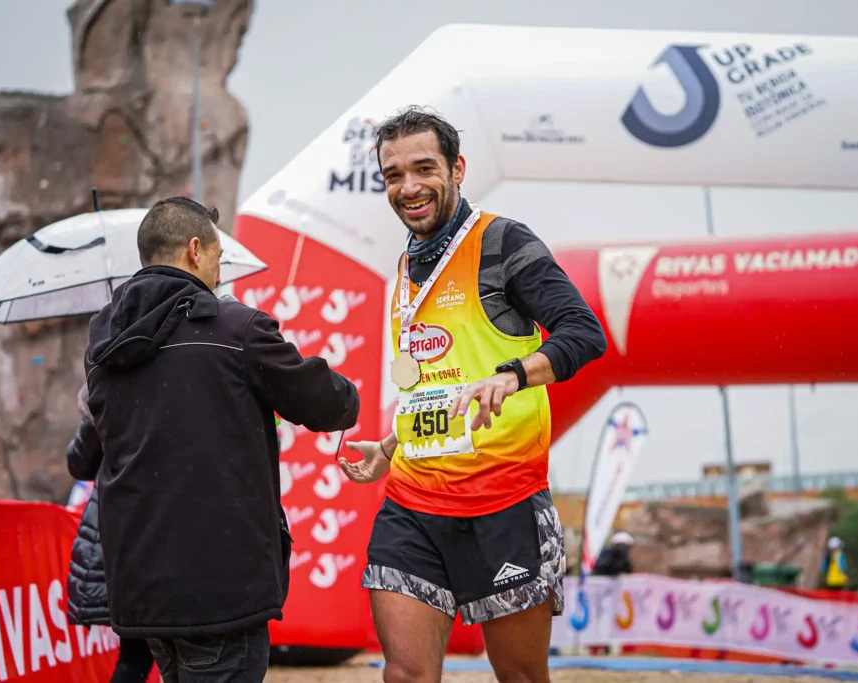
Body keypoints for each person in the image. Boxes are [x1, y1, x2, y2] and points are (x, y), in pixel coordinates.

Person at [338, 107, 607, 683]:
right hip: (413, 504)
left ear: (457, 169)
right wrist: (390, 446)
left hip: (503, 504)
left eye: (423, 169)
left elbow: (584, 333)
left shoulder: (502, 242)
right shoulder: (408, 265)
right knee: (404, 675)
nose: (408, 187)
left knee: (520, 677)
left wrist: (512, 375)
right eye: (392, 175)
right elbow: (439, 384)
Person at [83, 196, 361, 683]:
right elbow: (327, 404)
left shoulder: (104, 342)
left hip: (139, 589)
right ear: (195, 250)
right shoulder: (235, 329)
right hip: (220, 591)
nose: (218, 272)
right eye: (218, 257)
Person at [65, 384, 154, 682]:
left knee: (136, 655)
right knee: (157, 653)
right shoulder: (187, 382)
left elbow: (78, 462)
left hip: (123, 537)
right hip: (163, 535)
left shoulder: (110, 382)